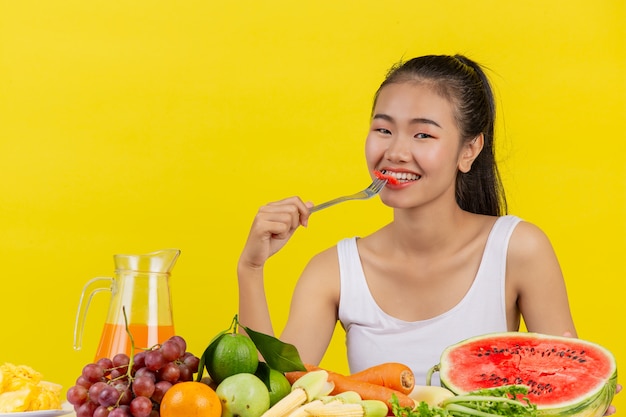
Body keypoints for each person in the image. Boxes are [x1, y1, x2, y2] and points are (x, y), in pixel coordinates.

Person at [236, 54, 619, 412]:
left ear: (469, 150)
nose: (397, 151)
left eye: (422, 135)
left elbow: (568, 390)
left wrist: (586, 401)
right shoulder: (333, 272)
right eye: (383, 129)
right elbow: (273, 396)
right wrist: (251, 269)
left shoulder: (518, 250)